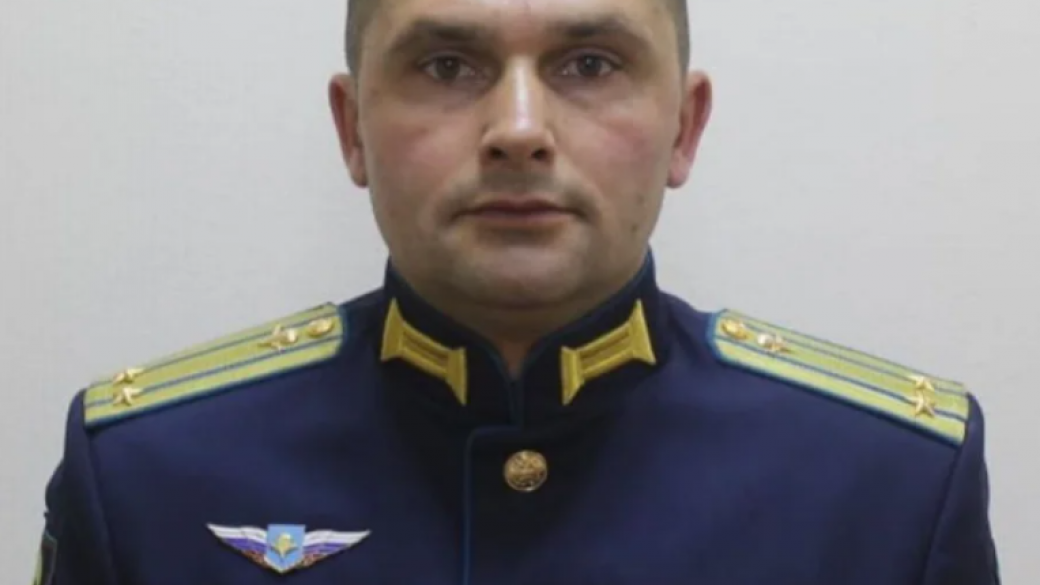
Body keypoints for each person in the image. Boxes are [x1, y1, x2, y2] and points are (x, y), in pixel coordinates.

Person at [31, 0, 1000, 582]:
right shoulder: (150, 475)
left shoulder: (887, 485)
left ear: (684, 127)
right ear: (352, 129)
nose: (519, 129)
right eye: (447, 65)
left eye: (589, 63)